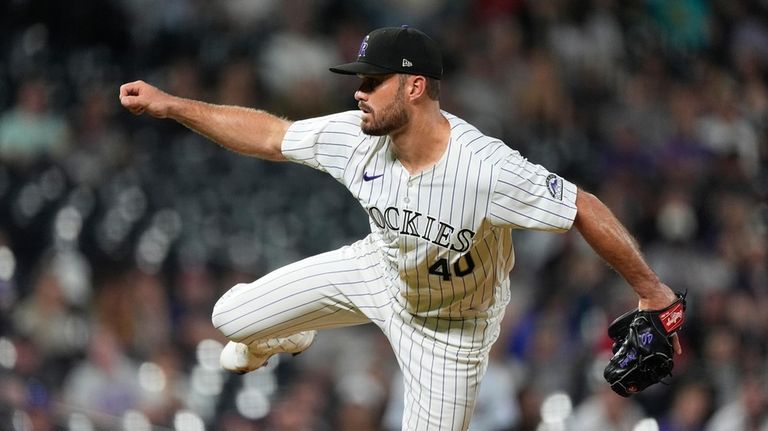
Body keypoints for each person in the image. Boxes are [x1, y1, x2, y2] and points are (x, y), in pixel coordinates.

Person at [119, 25, 682, 431]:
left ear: (414, 87)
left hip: (451, 330)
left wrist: (652, 291)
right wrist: (172, 106)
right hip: (378, 272)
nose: (358, 91)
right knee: (229, 318)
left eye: (373, 79)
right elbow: (269, 135)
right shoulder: (355, 136)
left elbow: (581, 205)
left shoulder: (484, 168)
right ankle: (290, 335)